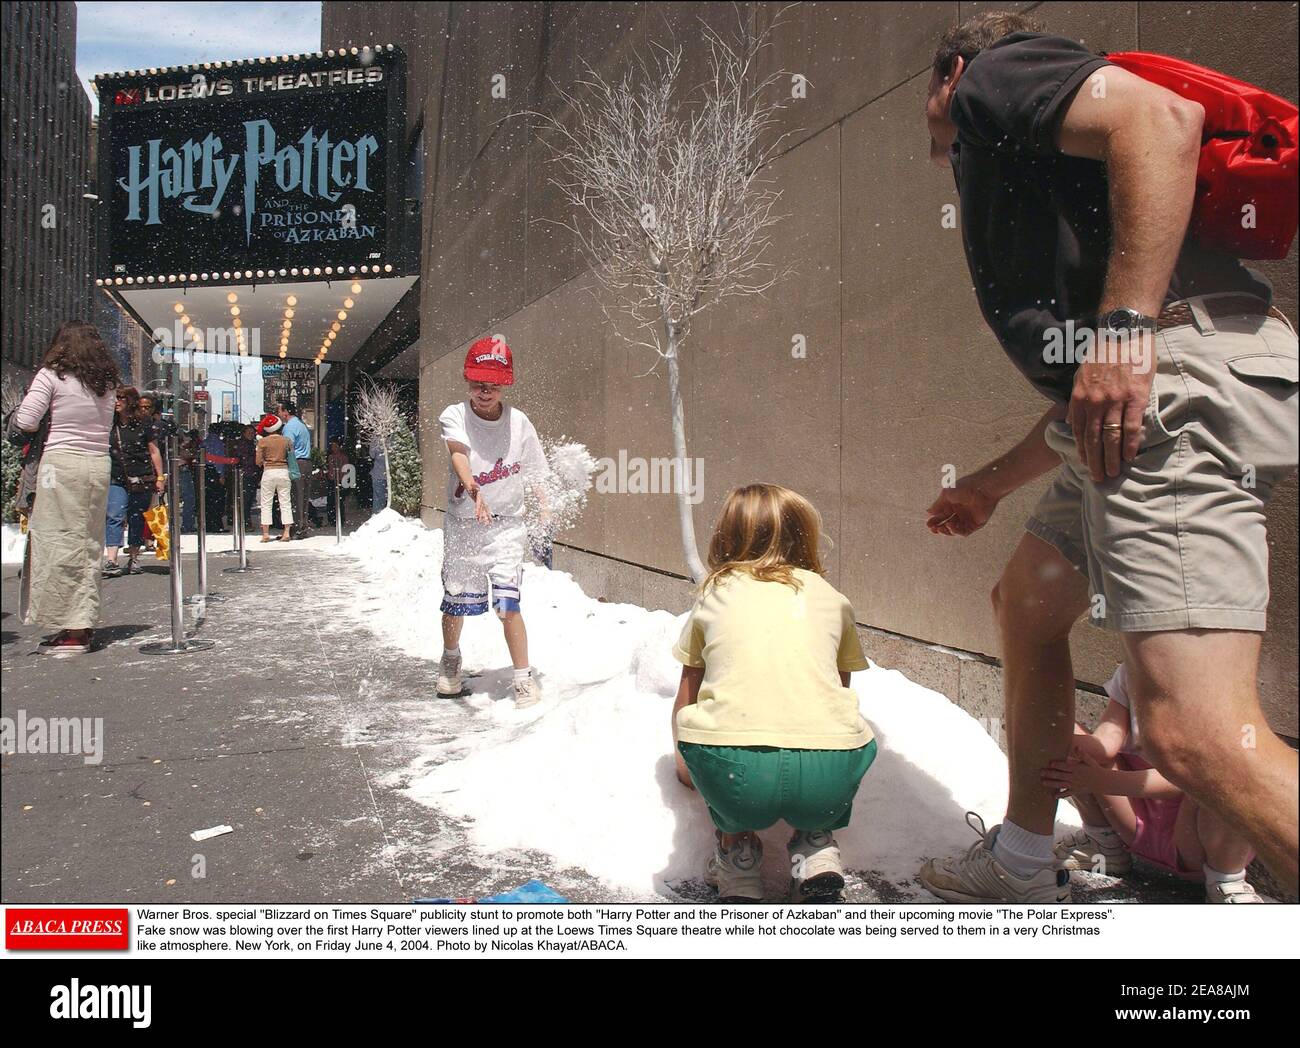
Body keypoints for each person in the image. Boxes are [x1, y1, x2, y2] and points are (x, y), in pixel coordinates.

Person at [917, 11, 1299, 902]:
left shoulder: (989, 81)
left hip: (1177, 377)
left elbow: (1162, 122)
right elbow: (1089, 396)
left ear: (952, 72)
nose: (939, 149)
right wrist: (989, 484)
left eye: (931, 120)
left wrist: (1125, 329)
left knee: (1194, 732)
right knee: (1027, 599)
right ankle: (1018, 857)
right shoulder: (1049, 152)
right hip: (1166, 387)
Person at [671, 484, 876, 903]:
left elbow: (687, 695)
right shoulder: (832, 599)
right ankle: (815, 844)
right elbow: (838, 691)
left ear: (725, 537)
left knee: (717, 734)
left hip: (734, 776)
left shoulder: (714, 594)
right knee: (834, 732)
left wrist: (687, 769)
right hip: (827, 779)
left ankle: (738, 858)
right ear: (806, 536)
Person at [1043, 664, 1263, 904]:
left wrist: (1103, 781)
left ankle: (1226, 879)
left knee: (1231, 774)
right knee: (1061, 733)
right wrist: (1051, 739)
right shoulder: (1130, 672)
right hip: (1135, 819)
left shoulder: (1211, 686)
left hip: (1194, 835)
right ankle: (1104, 843)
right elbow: (1108, 740)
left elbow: (1191, 777)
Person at [435, 337, 548, 708]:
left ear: (506, 385)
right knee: (456, 601)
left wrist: (545, 508)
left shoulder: (519, 423)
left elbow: (534, 471)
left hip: (505, 526)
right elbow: (459, 455)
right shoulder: (455, 415)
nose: (484, 392)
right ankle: (451, 660)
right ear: (467, 381)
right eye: (478, 383)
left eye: (493, 385)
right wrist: (473, 489)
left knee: (507, 603)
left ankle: (522, 678)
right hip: (464, 524)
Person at [12, 321, 118, 655]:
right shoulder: (107, 383)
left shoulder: (52, 375)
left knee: (57, 541)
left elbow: (27, 421)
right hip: (98, 465)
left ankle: (71, 629)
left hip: (61, 464)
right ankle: (81, 622)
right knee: (87, 543)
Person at [104, 386, 165, 577]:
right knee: (114, 514)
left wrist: (160, 476)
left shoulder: (143, 424)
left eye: (121, 398)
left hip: (141, 477)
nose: (117, 401)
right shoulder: (109, 423)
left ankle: (134, 556)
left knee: (136, 517)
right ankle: (112, 560)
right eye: (115, 397)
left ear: (130, 401)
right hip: (116, 477)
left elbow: (154, 451)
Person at [254, 413, 293, 542]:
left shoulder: (262, 442)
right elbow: (291, 457)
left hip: (269, 472)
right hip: (283, 471)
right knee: (285, 502)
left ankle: (265, 533)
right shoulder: (286, 440)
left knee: (266, 503)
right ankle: (286, 532)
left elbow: (257, 462)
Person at [278, 400, 313, 537]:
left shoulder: (289, 427)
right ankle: (302, 526)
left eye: (280, 411)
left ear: (286, 412)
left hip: (296, 463)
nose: (278, 414)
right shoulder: (300, 424)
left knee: (294, 496)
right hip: (306, 463)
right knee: (303, 496)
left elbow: (288, 447)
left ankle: (296, 528)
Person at [201, 427, 228, 531]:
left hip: (206, 471)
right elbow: (219, 460)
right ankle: (217, 524)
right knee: (218, 500)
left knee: (207, 500)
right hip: (215, 472)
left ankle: (208, 524)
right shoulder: (218, 443)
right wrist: (221, 474)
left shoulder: (204, 442)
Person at [327, 437, 350, 527]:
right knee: (331, 501)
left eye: (335, 446)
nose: (334, 448)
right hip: (332, 480)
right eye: (332, 446)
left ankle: (339, 519)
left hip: (340, 480)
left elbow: (345, 470)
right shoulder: (330, 457)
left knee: (339, 501)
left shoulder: (343, 457)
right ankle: (332, 519)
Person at [369, 434, 388, 514]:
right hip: (382, 473)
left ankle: (378, 516)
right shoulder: (393, 438)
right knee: (380, 499)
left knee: (378, 499)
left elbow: (372, 455)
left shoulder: (375, 439)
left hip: (379, 473)